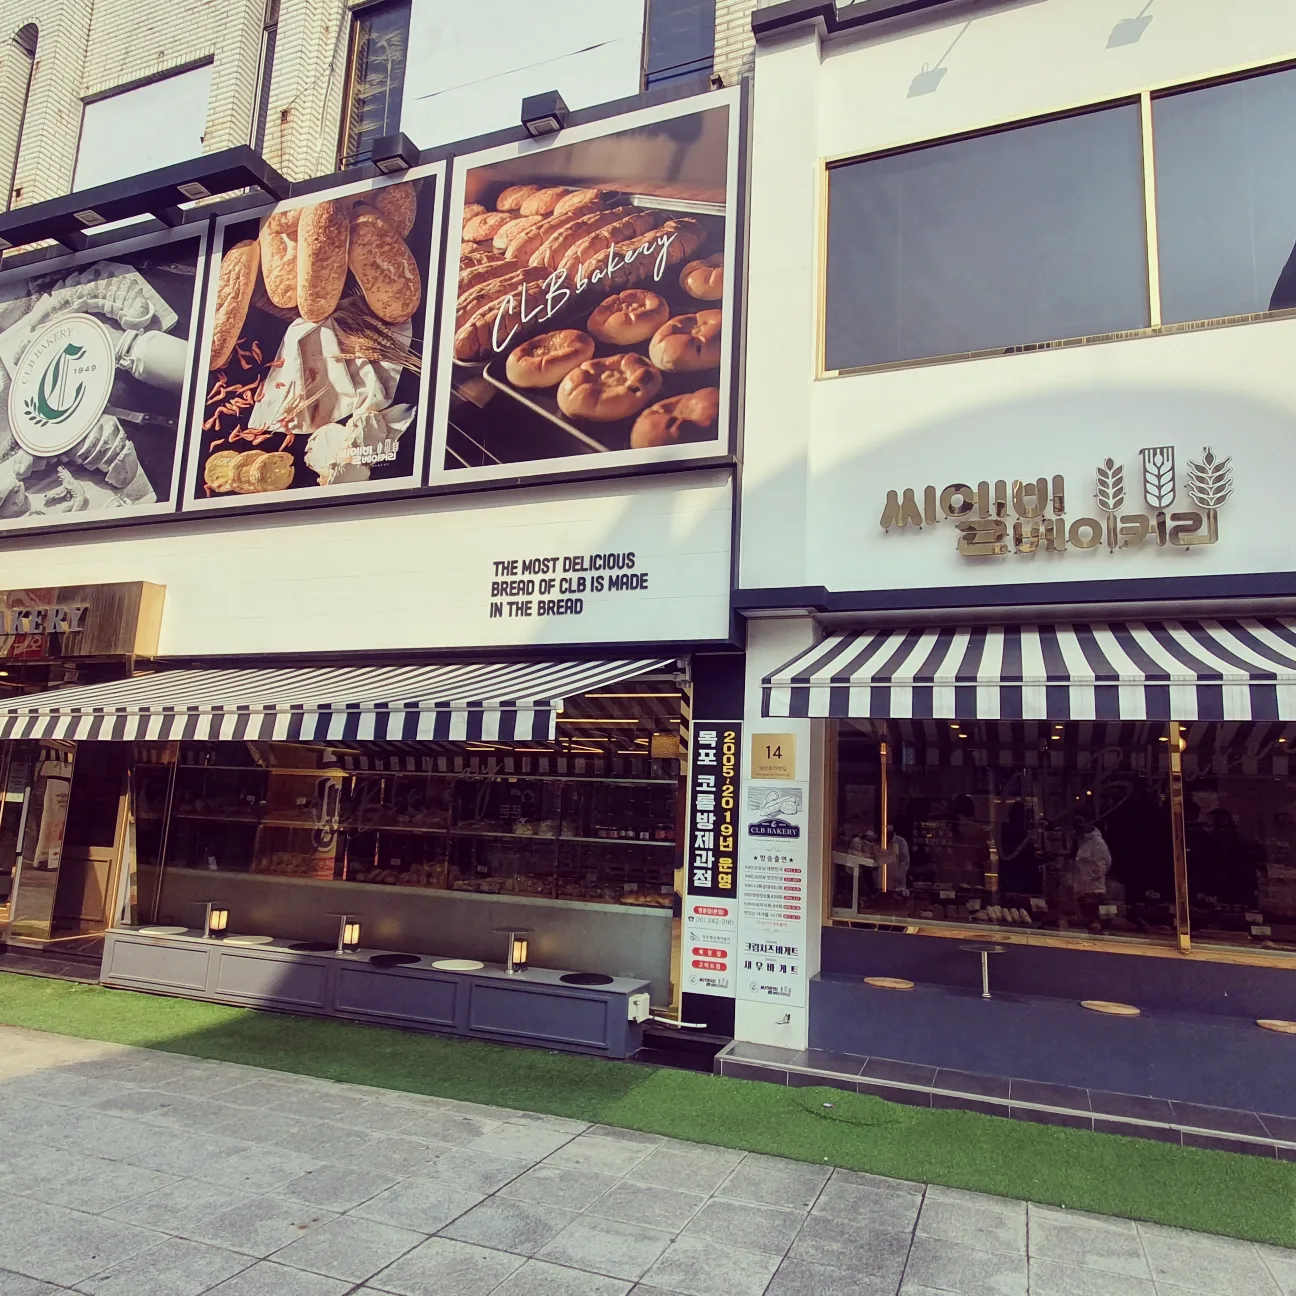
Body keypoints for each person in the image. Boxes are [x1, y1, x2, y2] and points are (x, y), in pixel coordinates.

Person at [1073, 817, 1112, 929]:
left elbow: (1101, 868)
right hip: (1082, 892)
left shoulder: (1098, 842)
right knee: (1085, 923)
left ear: (1087, 823)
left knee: (1093, 923)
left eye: (1080, 825)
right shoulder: (1081, 841)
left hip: (1093, 892)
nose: (1078, 828)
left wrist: (1084, 879)